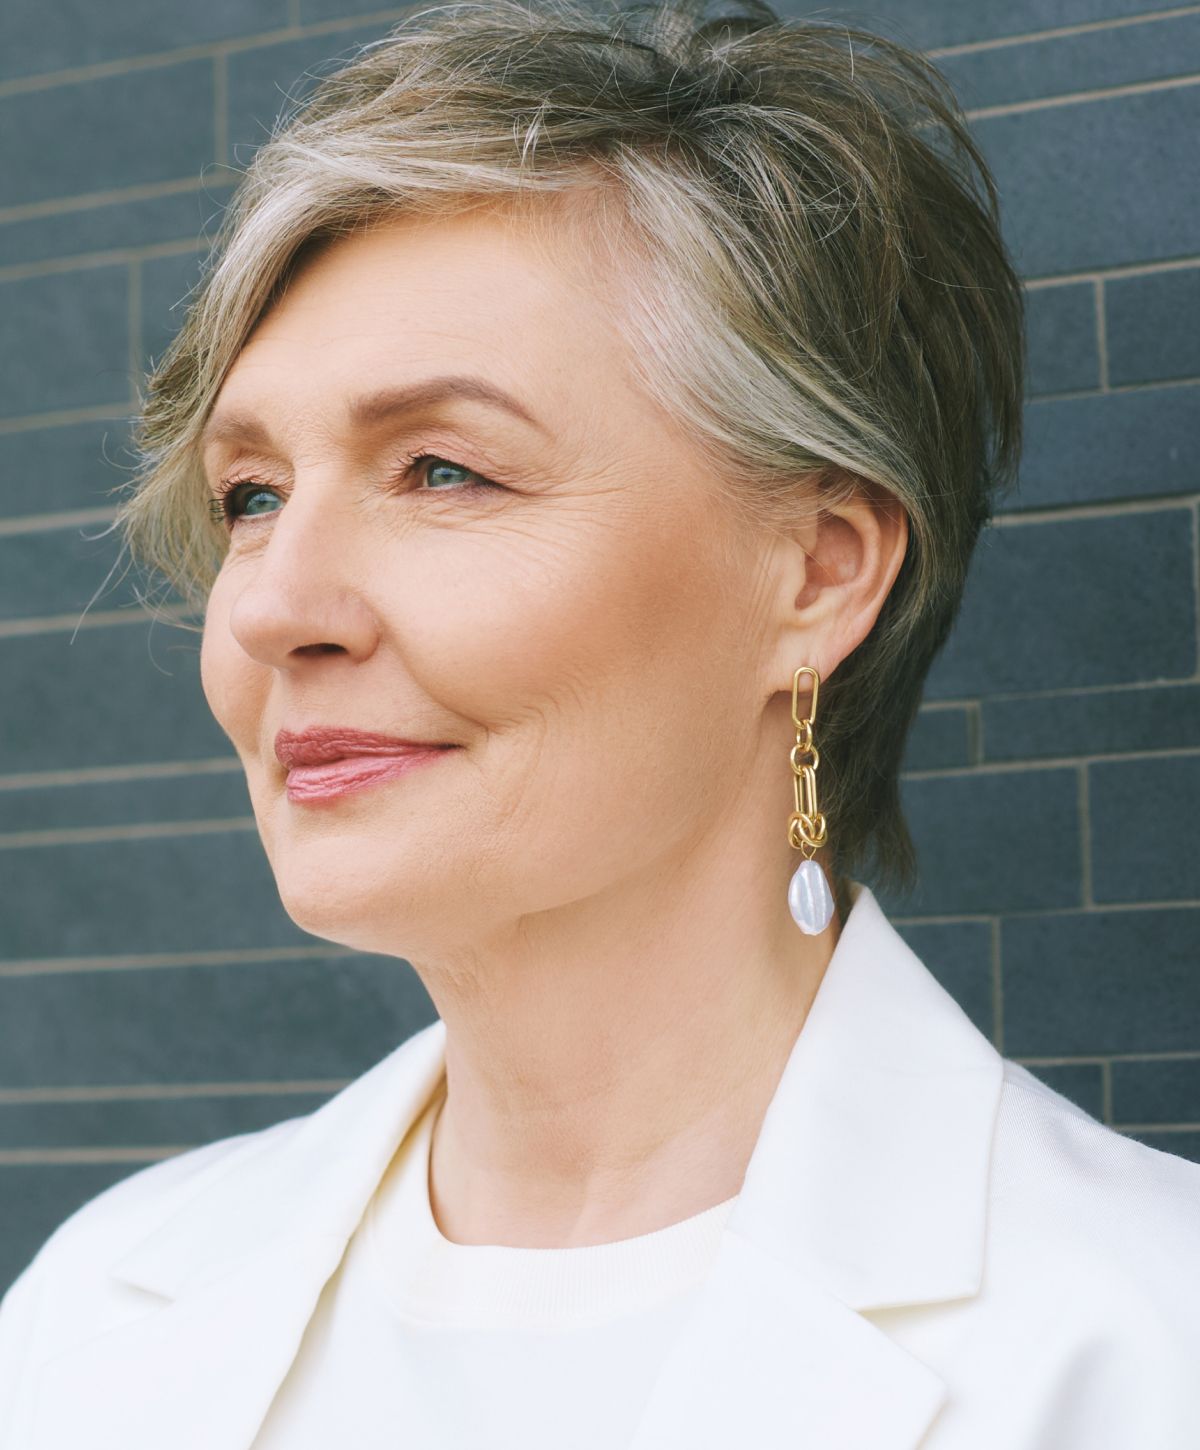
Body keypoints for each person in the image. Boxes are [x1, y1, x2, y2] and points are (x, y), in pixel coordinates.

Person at [2, 1, 1197, 1445]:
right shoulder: (87, 1320)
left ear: (816, 573)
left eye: (443, 471)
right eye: (252, 494)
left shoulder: (1145, 1346)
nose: (272, 607)